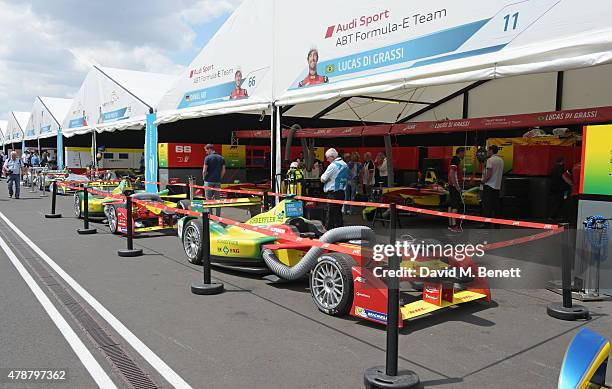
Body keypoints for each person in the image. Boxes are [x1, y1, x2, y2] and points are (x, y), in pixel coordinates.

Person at [320, 148, 348, 229]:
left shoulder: (333, 165)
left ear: (332, 157)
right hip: (342, 192)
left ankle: (328, 232)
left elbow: (322, 179)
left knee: (330, 213)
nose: (327, 160)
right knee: (338, 213)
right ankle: (339, 231)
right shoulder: (344, 164)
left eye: (327, 158)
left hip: (333, 193)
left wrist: (329, 179)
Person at [481, 145, 504, 227]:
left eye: (488, 151)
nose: (487, 152)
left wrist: (483, 181)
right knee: (496, 206)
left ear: (491, 151)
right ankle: (497, 225)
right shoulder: (501, 160)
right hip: (497, 186)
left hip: (489, 186)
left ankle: (487, 224)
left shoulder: (490, 160)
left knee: (487, 207)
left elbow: (489, 174)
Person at [202, 144, 226, 217]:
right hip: (217, 181)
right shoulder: (221, 158)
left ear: (209, 149)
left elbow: (204, 171)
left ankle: (210, 216)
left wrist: (204, 178)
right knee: (218, 200)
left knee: (209, 200)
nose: (206, 152)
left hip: (208, 181)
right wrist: (220, 178)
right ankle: (218, 217)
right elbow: (223, 170)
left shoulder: (207, 158)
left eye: (206, 150)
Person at [448, 147, 466, 232]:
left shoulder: (455, 160)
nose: (464, 155)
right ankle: (454, 226)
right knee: (455, 206)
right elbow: (452, 174)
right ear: (460, 152)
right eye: (464, 153)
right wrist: (457, 186)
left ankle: (451, 225)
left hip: (453, 186)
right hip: (454, 187)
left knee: (451, 205)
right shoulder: (455, 160)